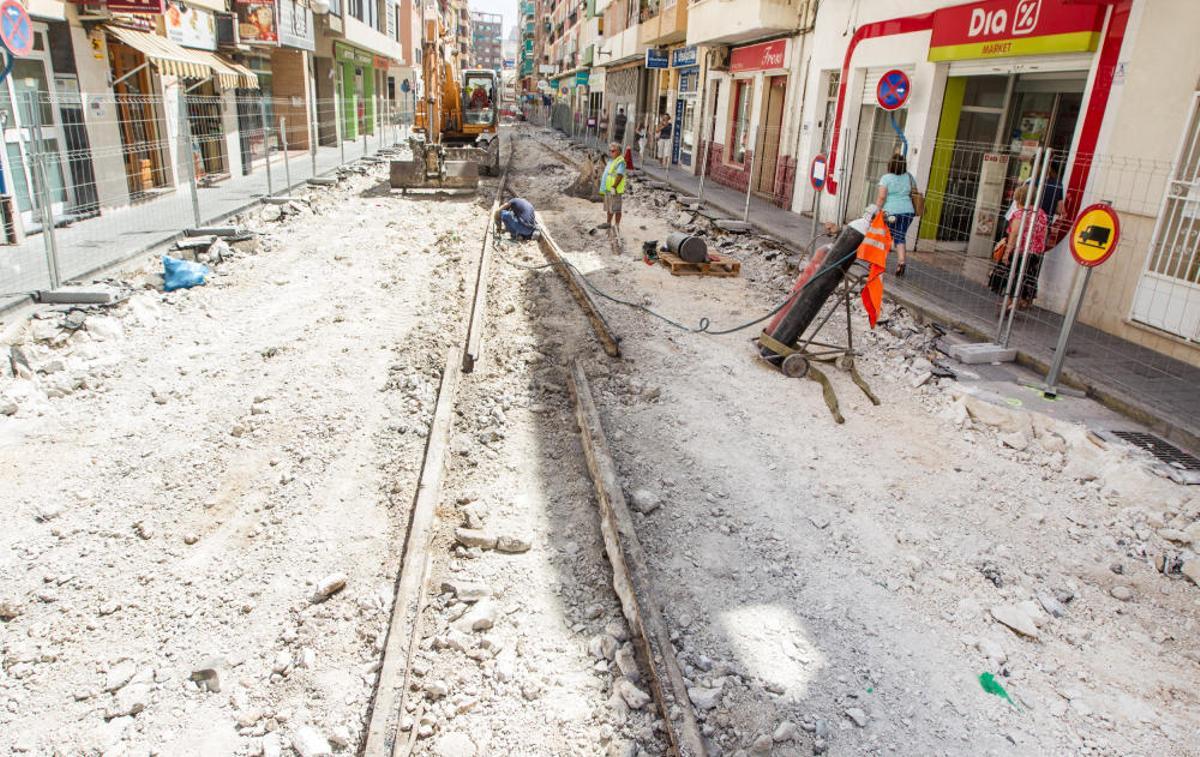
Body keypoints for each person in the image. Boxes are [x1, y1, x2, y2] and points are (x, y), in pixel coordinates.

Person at [991, 183, 1049, 309]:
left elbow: (1014, 234)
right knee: (1026, 277)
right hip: (1034, 253)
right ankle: (1020, 301)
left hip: (1020, 252)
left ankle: (1009, 302)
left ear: (1020, 200)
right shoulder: (1041, 213)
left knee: (1013, 276)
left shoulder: (1020, 214)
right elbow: (1044, 234)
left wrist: (1007, 252)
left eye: (1016, 200)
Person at [873, 153, 918, 277]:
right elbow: (914, 192)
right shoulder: (909, 177)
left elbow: (882, 197)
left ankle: (878, 262)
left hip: (891, 213)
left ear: (890, 165)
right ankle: (901, 262)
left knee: (886, 236)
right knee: (900, 236)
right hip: (908, 212)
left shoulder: (886, 178)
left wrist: (876, 210)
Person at [597, 142, 627, 237]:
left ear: (618, 151)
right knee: (609, 207)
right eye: (610, 151)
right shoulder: (612, 160)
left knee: (617, 208)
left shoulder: (620, 161)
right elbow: (610, 171)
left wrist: (614, 186)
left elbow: (620, 175)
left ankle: (617, 225)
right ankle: (608, 223)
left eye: (613, 151)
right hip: (608, 188)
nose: (611, 152)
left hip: (615, 189)